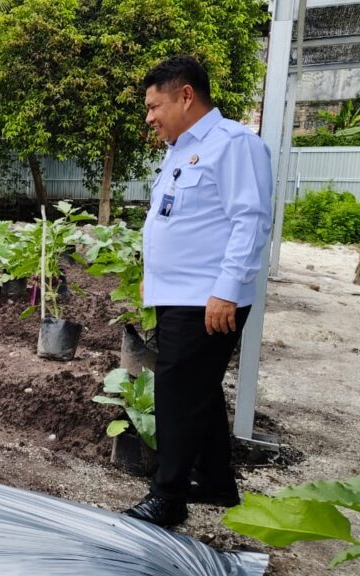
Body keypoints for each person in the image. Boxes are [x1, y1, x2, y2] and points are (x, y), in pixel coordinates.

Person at [123, 55, 272, 527]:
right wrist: (156, 273)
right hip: (178, 292)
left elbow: (251, 220)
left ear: (186, 96)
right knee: (198, 390)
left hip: (207, 297)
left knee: (176, 392)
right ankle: (214, 481)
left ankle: (168, 497)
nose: (149, 117)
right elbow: (176, 219)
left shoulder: (234, 145)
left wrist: (227, 290)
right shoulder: (180, 151)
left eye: (154, 105)